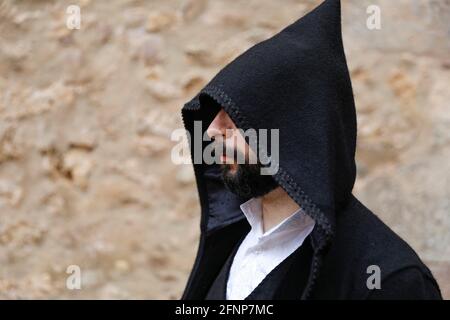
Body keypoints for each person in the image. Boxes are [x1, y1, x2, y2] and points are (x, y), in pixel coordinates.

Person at [180, 0, 442, 300]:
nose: (213, 130)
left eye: (235, 116)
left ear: (293, 130)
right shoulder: (233, 240)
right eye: (216, 113)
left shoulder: (391, 279)